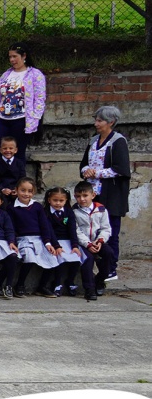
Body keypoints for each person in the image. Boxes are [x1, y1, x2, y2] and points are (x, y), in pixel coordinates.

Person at [79, 105, 129, 282]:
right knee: (92, 232)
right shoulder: (93, 140)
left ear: (111, 122)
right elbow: (84, 163)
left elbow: (122, 169)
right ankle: (95, 269)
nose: (96, 123)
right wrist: (86, 170)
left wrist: (97, 172)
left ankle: (110, 269)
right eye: (96, 120)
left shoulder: (118, 141)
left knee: (110, 232)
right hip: (94, 194)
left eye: (100, 120)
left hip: (111, 195)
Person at [0, 41, 46, 176]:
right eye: (10, 57)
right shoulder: (6, 75)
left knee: (18, 151)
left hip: (21, 119)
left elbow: (40, 99)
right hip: (2, 117)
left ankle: (18, 182)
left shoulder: (35, 75)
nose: (12, 60)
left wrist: (35, 119)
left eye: (15, 56)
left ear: (24, 56)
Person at [8, 177, 58, 298]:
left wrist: (48, 243)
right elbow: (10, 227)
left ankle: (42, 286)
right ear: (16, 190)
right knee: (29, 259)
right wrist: (12, 241)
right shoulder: (12, 208)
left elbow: (45, 226)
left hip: (39, 239)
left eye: (30, 191)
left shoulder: (37, 207)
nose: (26, 194)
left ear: (34, 192)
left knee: (52, 259)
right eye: (23, 190)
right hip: (23, 240)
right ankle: (19, 285)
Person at [72, 180, 114, 301]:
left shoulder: (101, 210)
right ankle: (89, 290)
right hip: (83, 243)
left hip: (98, 241)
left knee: (109, 254)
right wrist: (88, 244)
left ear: (93, 195)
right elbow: (76, 230)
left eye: (85, 196)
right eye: (78, 196)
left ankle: (100, 280)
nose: (82, 199)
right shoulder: (74, 211)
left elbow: (106, 228)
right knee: (87, 260)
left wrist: (100, 241)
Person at [38, 187, 81, 298]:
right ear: (49, 200)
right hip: (53, 240)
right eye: (55, 200)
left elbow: (72, 229)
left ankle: (70, 281)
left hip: (67, 240)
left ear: (66, 201)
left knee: (76, 258)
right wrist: (56, 245)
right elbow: (49, 230)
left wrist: (75, 245)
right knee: (59, 258)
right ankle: (57, 282)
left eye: (61, 201)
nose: (58, 203)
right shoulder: (46, 212)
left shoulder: (68, 212)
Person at [0, 135, 25, 204]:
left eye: (11, 148)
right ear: (0, 150)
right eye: (5, 148)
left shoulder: (19, 163)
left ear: (15, 150)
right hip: (0, 190)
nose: (8, 150)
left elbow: (22, 178)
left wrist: (16, 189)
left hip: (15, 190)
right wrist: (2, 189)